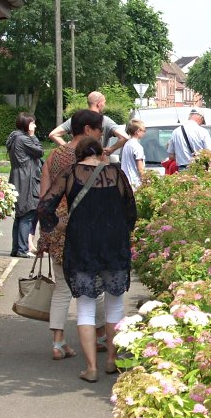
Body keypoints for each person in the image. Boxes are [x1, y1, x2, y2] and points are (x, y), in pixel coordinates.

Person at [38, 137, 137, 382]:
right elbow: (131, 210)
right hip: (113, 244)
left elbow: (44, 206)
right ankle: (112, 361)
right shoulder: (116, 174)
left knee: (85, 307)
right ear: (101, 154)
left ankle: (91, 367)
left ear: (79, 154)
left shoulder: (70, 173)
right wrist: (122, 231)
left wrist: (57, 225)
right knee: (115, 304)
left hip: (81, 244)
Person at [38, 110, 106, 361]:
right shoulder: (97, 157)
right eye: (100, 130)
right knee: (94, 284)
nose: (101, 135)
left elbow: (44, 197)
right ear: (88, 130)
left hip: (57, 225)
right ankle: (99, 337)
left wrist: (45, 232)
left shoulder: (54, 156)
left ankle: (58, 343)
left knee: (62, 288)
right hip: (87, 228)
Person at [6, 112, 44, 258]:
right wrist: (33, 135)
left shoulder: (14, 137)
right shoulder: (24, 139)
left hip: (17, 178)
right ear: (27, 124)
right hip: (27, 180)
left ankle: (16, 248)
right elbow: (39, 152)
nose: (34, 125)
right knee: (28, 213)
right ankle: (22, 249)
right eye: (33, 123)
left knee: (20, 215)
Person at [48, 91, 128, 156]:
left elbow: (53, 134)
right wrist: (111, 149)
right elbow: (125, 137)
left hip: (76, 163)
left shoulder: (76, 119)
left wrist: (69, 149)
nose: (104, 105)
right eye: (104, 103)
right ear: (99, 104)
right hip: (97, 165)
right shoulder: (105, 121)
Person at [120, 119, 146, 189]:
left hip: (125, 181)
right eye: (143, 130)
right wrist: (145, 181)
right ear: (137, 131)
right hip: (135, 183)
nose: (144, 133)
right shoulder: (137, 147)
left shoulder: (127, 144)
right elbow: (140, 168)